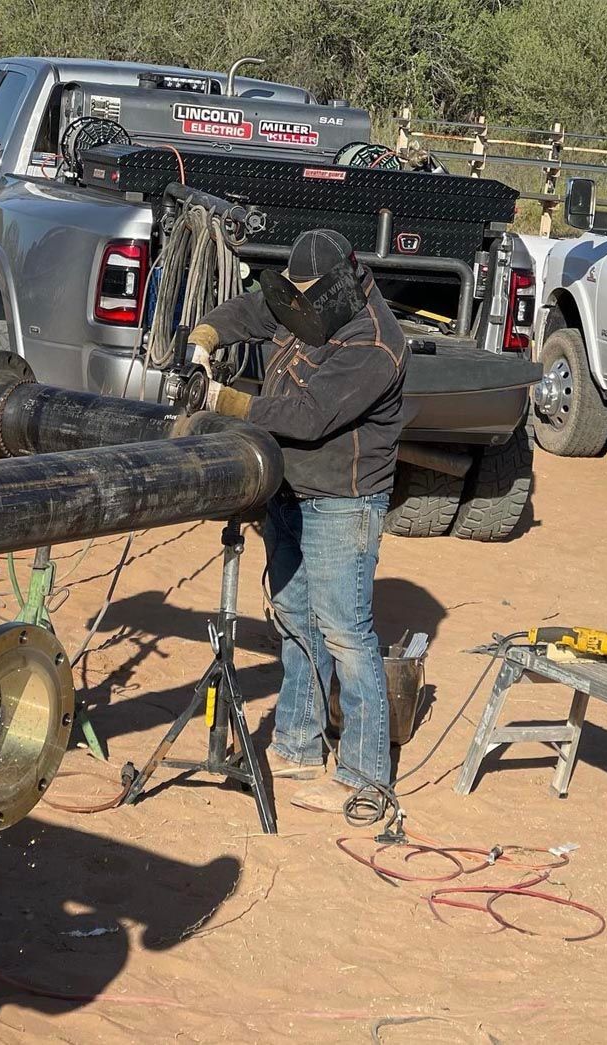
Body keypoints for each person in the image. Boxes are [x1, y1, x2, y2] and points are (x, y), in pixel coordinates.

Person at [188, 229, 407, 813]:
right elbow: (255, 310)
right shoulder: (310, 298)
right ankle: (298, 744)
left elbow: (307, 417)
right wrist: (205, 338)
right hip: (289, 490)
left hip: (341, 501)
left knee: (345, 633)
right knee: (294, 620)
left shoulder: (375, 343)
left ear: (340, 285)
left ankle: (365, 776)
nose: (298, 308)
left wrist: (223, 401)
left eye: (308, 298)